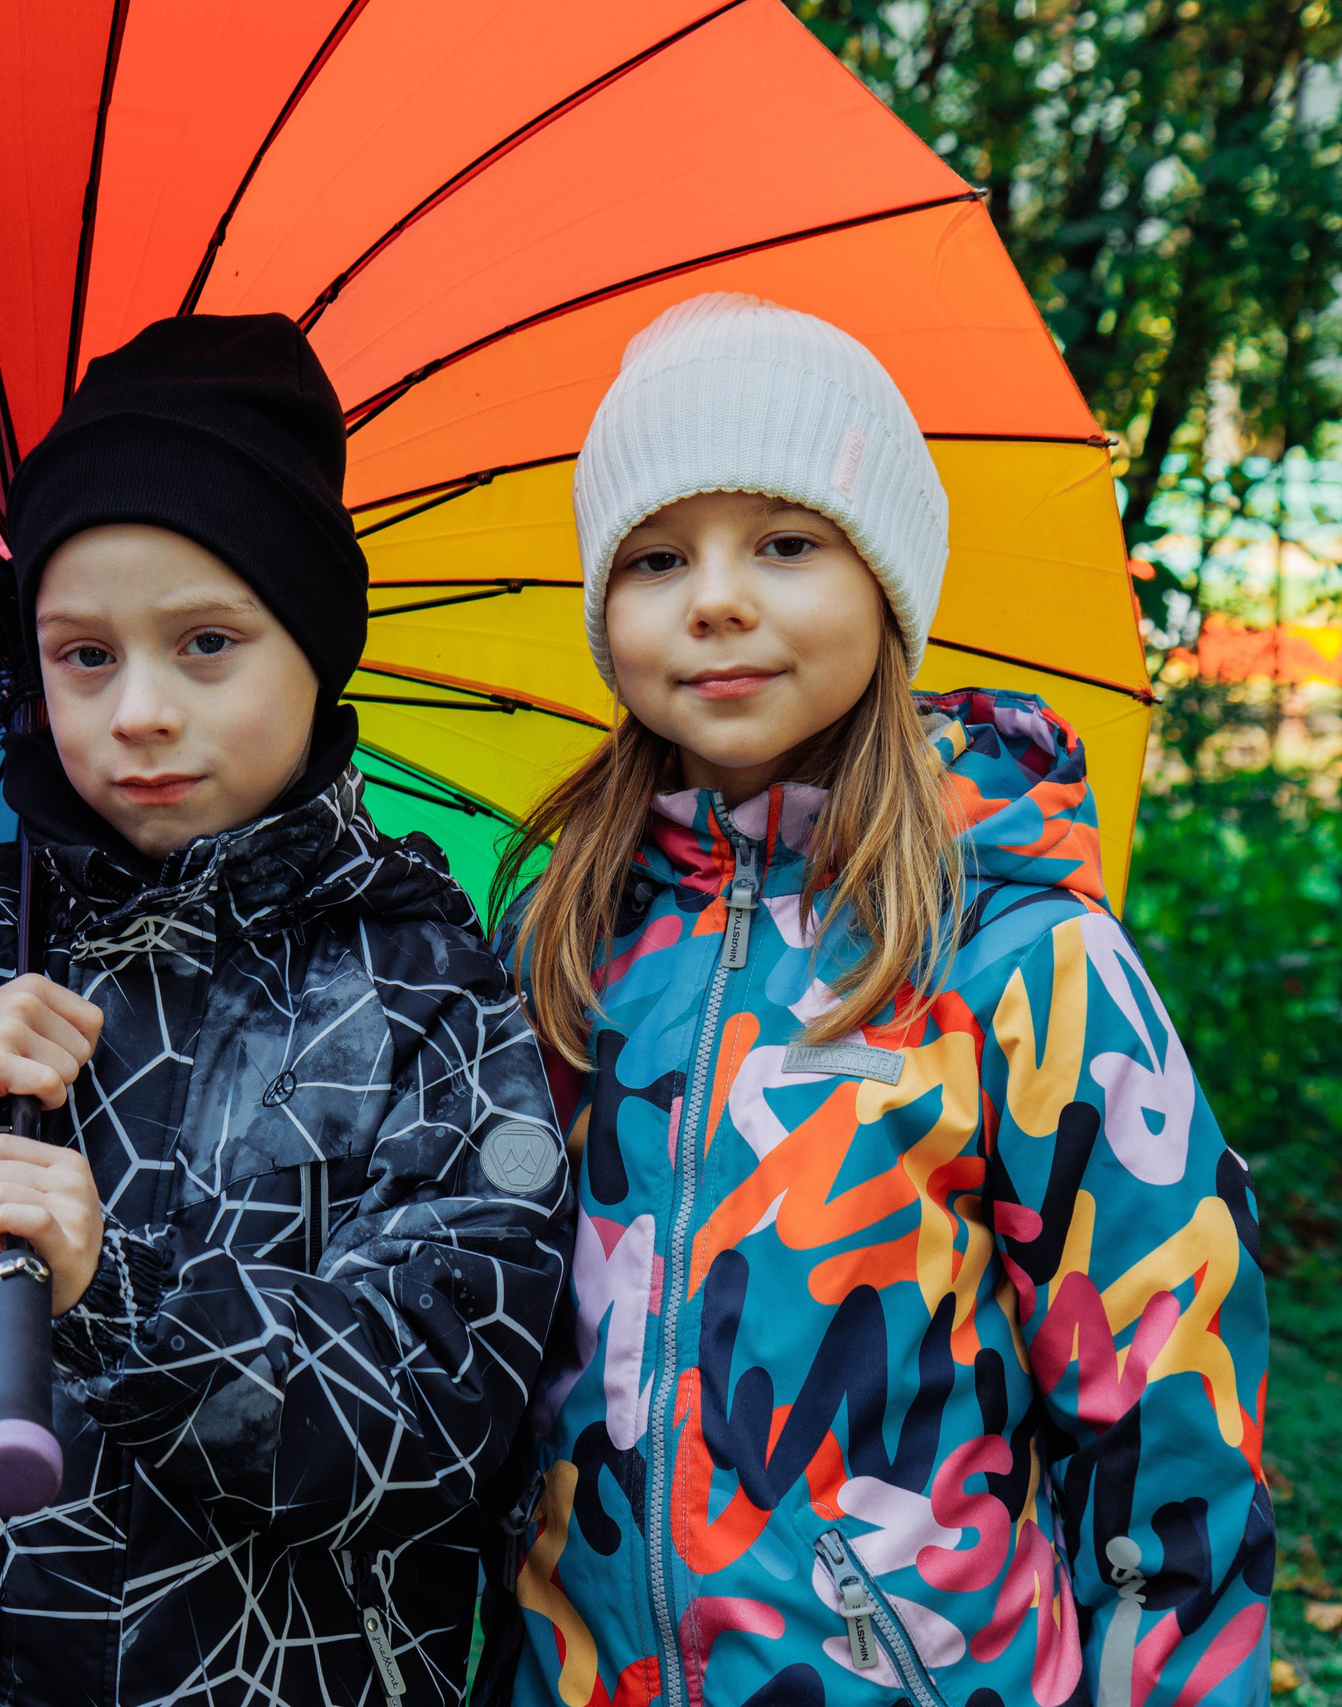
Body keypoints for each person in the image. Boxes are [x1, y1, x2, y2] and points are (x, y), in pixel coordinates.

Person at [0, 314, 572, 1707]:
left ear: (315, 647)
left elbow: (438, 1430)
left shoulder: (428, 993)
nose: (141, 711)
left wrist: (121, 1298)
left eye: (207, 644)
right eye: (85, 655)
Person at [484, 294, 1272, 1707]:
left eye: (785, 544)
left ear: (886, 582)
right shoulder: (562, 943)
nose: (716, 597)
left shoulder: (1018, 959)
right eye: (657, 557)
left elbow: (1168, 1411)